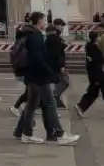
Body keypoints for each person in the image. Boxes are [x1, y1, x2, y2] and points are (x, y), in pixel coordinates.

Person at [13, 11, 78, 145]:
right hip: (39, 76)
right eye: (44, 21)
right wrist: (50, 72)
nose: (46, 23)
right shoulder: (35, 36)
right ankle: (59, 134)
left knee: (31, 105)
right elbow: (37, 58)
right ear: (39, 22)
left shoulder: (28, 34)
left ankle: (26, 133)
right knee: (50, 103)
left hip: (32, 75)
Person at [75, 30, 104, 119]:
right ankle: (80, 106)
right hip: (98, 74)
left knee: (93, 92)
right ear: (96, 38)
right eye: (99, 36)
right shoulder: (96, 50)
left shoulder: (90, 47)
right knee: (93, 92)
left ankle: (80, 107)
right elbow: (100, 61)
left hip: (93, 74)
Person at [45, 19, 68, 108]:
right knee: (64, 81)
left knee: (61, 82)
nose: (62, 28)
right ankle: (54, 98)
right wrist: (61, 66)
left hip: (54, 64)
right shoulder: (54, 37)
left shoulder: (57, 36)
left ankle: (55, 98)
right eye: (61, 25)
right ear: (56, 25)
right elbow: (56, 53)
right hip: (54, 65)